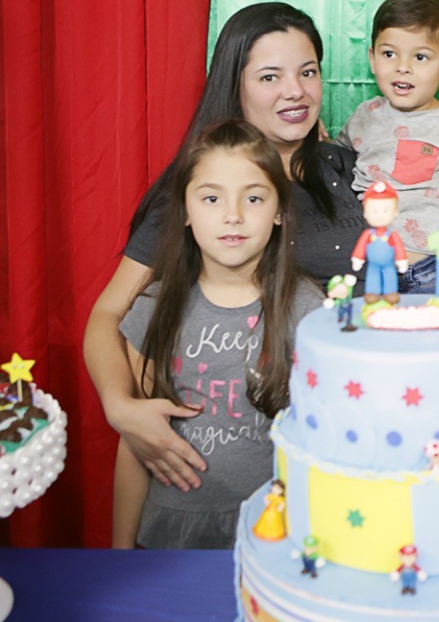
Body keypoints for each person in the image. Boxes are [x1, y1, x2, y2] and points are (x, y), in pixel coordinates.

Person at [84, 3, 365, 495]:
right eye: (270, 77)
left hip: (355, 420)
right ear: (235, 86)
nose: (295, 91)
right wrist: (120, 407)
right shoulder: (206, 193)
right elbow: (109, 313)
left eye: (307, 72)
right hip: (249, 440)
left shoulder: (351, 166)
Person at [112, 120, 324, 549]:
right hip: (167, 536)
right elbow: (135, 439)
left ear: (280, 210)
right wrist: (119, 552)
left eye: (253, 198)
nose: (233, 215)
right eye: (211, 198)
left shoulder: (307, 309)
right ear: (185, 212)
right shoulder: (154, 307)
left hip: (272, 532)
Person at [335, 0, 439, 295]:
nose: (403, 67)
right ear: (372, 58)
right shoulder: (364, 116)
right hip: (374, 270)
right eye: (389, 54)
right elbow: (334, 163)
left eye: (420, 57)